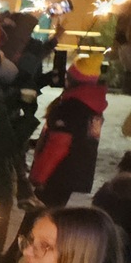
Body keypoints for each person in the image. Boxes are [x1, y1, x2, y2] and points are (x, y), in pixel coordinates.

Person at [31, 55, 106, 207]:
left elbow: (57, 146)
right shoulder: (91, 107)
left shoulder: (70, 109)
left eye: (68, 76)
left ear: (74, 80)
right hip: (73, 173)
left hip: (56, 174)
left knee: (37, 219)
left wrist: (39, 176)